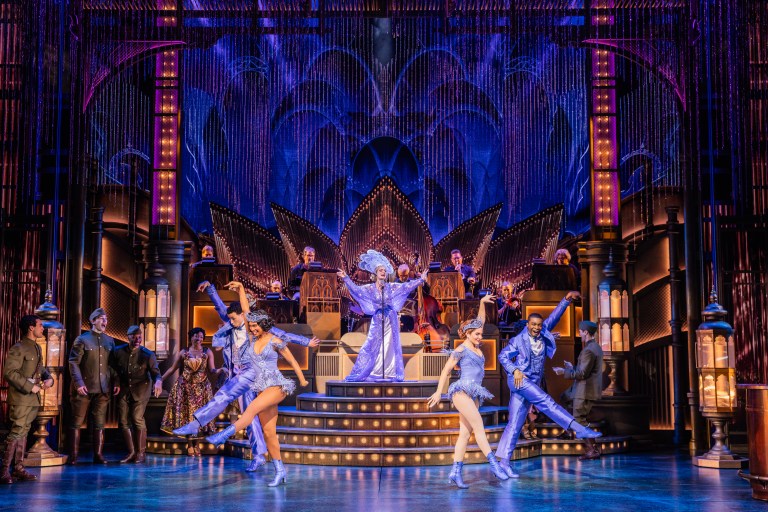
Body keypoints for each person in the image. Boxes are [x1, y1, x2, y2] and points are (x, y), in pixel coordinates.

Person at [174, 282, 318, 471]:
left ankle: (196, 423)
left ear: (243, 315)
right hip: (238, 374)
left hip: (252, 372)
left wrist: (307, 342)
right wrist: (210, 288)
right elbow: (219, 306)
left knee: (225, 395)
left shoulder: (254, 326)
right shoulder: (232, 325)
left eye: (233, 318)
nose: (230, 321)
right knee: (250, 417)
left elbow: (284, 336)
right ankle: (259, 455)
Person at [495, 292, 601, 478]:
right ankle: (579, 429)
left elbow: (555, 316)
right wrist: (515, 370)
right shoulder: (518, 340)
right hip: (520, 380)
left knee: (515, 423)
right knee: (547, 402)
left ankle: (503, 463)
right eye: (533, 325)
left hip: (532, 382)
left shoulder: (543, 332)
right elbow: (502, 356)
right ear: (527, 325)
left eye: (539, 325)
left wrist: (567, 299)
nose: (536, 328)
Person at [205, 310, 309, 487]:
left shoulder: (276, 341)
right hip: (262, 388)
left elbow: (292, 361)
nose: (252, 328)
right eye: (251, 326)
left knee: (251, 409)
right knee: (269, 434)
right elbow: (246, 312)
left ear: (264, 324)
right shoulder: (252, 340)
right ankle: (280, 471)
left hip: (277, 385)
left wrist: (302, 379)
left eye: (255, 325)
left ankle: (223, 435)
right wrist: (240, 289)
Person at [427, 295, 508, 488]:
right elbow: (446, 370)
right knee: (479, 428)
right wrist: (439, 392)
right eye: (476, 334)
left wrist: (481, 303)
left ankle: (455, 472)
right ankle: (494, 466)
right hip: (461, 391)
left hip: (475, 393)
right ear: (468, 334)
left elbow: (480, 320)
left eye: (480, 334)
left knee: (464, 435)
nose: (480, 336)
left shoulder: (476, 342)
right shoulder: (462, 349)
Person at [337, 250, 427, 382]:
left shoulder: (391, 287)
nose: (383, 272)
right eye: (381, 270)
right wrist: (346, 278)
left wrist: (420, 280)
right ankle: (373, 371)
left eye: (385, 270)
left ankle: (389, 372)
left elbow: (406, 287)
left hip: (391, 319)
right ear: (376, 273)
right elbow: (356, 290)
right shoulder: (369, 288)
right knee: (371, 345)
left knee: (389, 345)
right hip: (378, 319)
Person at [1, 315, 53, 484]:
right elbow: (9, 373)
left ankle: (18, 469)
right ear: (31, 327)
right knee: (16, 431)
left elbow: (41, 368)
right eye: (40, 325)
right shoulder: (19, 347)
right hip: (21, 398)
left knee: (24, 432)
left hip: (32, 399)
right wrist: (31, 387)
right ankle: (4, 471)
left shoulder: (36, 348)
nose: (42, 328)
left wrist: (49, 378)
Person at [68, 308, 119, 465]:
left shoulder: (109, 340)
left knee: (100, 422)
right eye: (101, 318)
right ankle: (74, 456)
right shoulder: (82, 339)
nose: (105, 321)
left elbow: (112, 365)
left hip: (103, 389)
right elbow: (73, 362)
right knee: (77, 421)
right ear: (93, 320)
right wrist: (78, 383)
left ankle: (98, 455)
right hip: (84, 388)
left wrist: (116, 382)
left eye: (106, 319)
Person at [160, 327, 221, 456]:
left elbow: (212, 370)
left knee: (199, 417)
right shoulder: (184, 352)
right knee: (187, 417)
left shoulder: (207, 352)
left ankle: (197, 445)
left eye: (200, 336)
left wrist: (220, 370)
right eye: (195, 336)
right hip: (185, 388)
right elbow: (172, 369)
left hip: (202, 389)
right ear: (191, 337)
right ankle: (189, 445)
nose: (198, 339)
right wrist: (160, 379)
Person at [110, 325, 162, 463]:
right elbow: (113, 370)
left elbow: (156, 373)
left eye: (139, 337)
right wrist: (116, 382)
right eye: (134, 337)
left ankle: (140, 452)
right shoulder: (118, 352)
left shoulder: (147, 354)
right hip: (124, 390)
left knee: (136, 417)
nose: (137, 339)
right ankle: (131, 452)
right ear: (128, 337)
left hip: (141, 390)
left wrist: (158, 382)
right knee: (123, 420)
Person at [553, 320, 604, 460]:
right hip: (582, 389)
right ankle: (568, 429)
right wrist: (571, 368)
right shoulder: (594, 347)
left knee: (579, 419)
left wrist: (564, 371)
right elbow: (584, 369)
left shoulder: (589, 350)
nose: (579, 333)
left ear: (586, 332)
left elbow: (582, 374)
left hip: (584, 390)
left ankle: (591, 449)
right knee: (564, 398)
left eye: (580, 331)